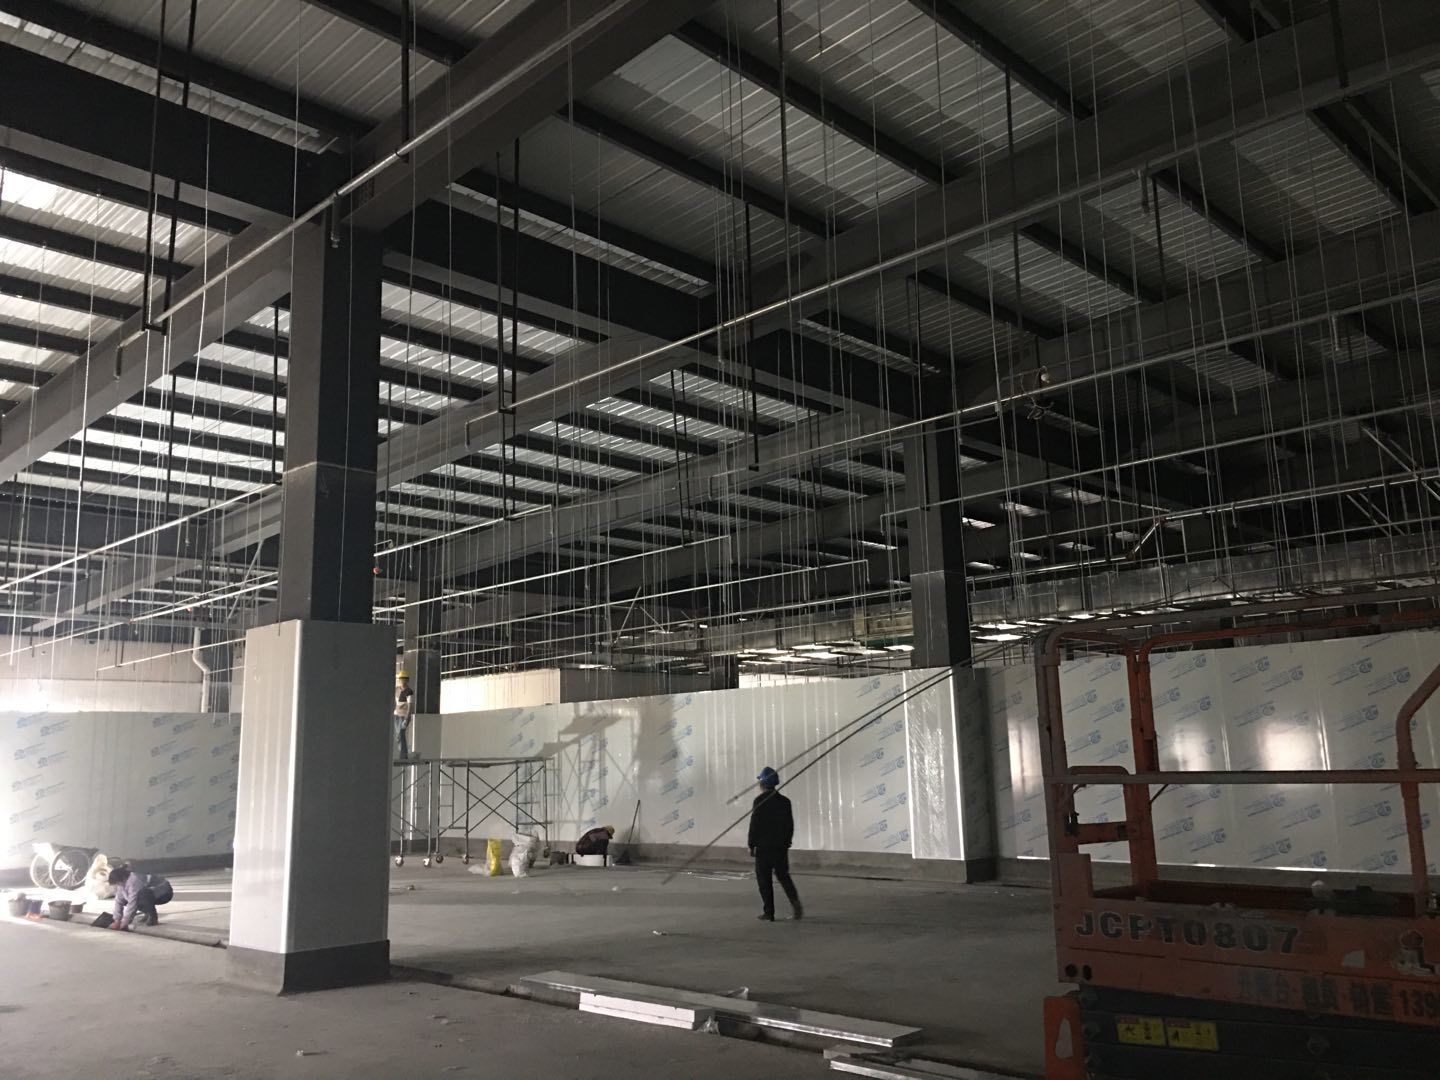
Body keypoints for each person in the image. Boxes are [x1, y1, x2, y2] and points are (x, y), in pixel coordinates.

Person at [748, 766, 802, 922]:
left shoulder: (759, 801)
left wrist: (751, 845)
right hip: (780, 847)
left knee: (764, 880)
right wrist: (787, 842)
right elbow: (789, 825)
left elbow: (754, 825)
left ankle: (769, 913)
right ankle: (795, 904)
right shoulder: (785, 802)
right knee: (783, 876)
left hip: (764, 848)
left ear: (763, 783)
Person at [108, 867, 173, 931]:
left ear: (123, 878)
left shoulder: (134, 880)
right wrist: (117, 920)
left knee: (142, 894)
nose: (118, 885)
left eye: (118, 883)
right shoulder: (122, 884)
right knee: (127, 898)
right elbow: (119, 901)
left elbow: (133, 902)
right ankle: (147, 913)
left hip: (164, 893)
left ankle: (153, 917)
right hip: (151, 893)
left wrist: (125, 922)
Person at [393, 671, 415, 760]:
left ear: (407, 680)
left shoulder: (409, 691)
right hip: (396, 715)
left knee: (401, 733)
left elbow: (410, 705)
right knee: (398, 735)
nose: (402, 681)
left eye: (404, 679)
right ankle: (401, 753)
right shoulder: (396, 690)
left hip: (404, 716)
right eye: (401, 679)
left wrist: (407, 718)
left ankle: (403, 755)